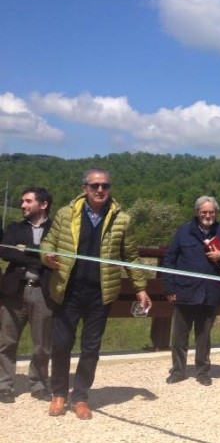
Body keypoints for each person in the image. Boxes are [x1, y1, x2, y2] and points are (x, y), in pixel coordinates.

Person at [41, 169, 152, 419]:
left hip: (100, 293)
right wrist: (46, 256)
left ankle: (80, 396)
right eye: (95, 186)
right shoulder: (65, 214)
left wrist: (140, 287)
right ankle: (59, 393)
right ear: (85, 188)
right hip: (66, 290)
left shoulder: (122, 219)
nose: (100, 190)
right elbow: (48, 242)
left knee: (91, 348)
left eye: (105, 186)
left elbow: (131, 257)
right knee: (61, 344)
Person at [162, 196, 220, 386]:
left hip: (210, 293)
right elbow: (169, 260)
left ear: (216, 213)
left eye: (211, 212)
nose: (207, 215)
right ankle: (178, 370)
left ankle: (203, 371)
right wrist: (170, 288)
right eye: (204, 212)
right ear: (197, 212)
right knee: (179, 335)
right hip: (185, 291)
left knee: (204, 336)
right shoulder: (183, 232)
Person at [0, 187, 54, 403]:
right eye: (23, 201)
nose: (22, 205)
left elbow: (61, 257)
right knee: (6, 341)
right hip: (14, 291)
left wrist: (25, 249)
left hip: (43, 291)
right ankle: (3, 385)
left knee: (42, 344)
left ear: (43, 205)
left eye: (28, 201)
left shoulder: (57, 230)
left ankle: (39, 384)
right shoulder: (14, 228)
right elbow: (5, 251)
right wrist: (39, 256)